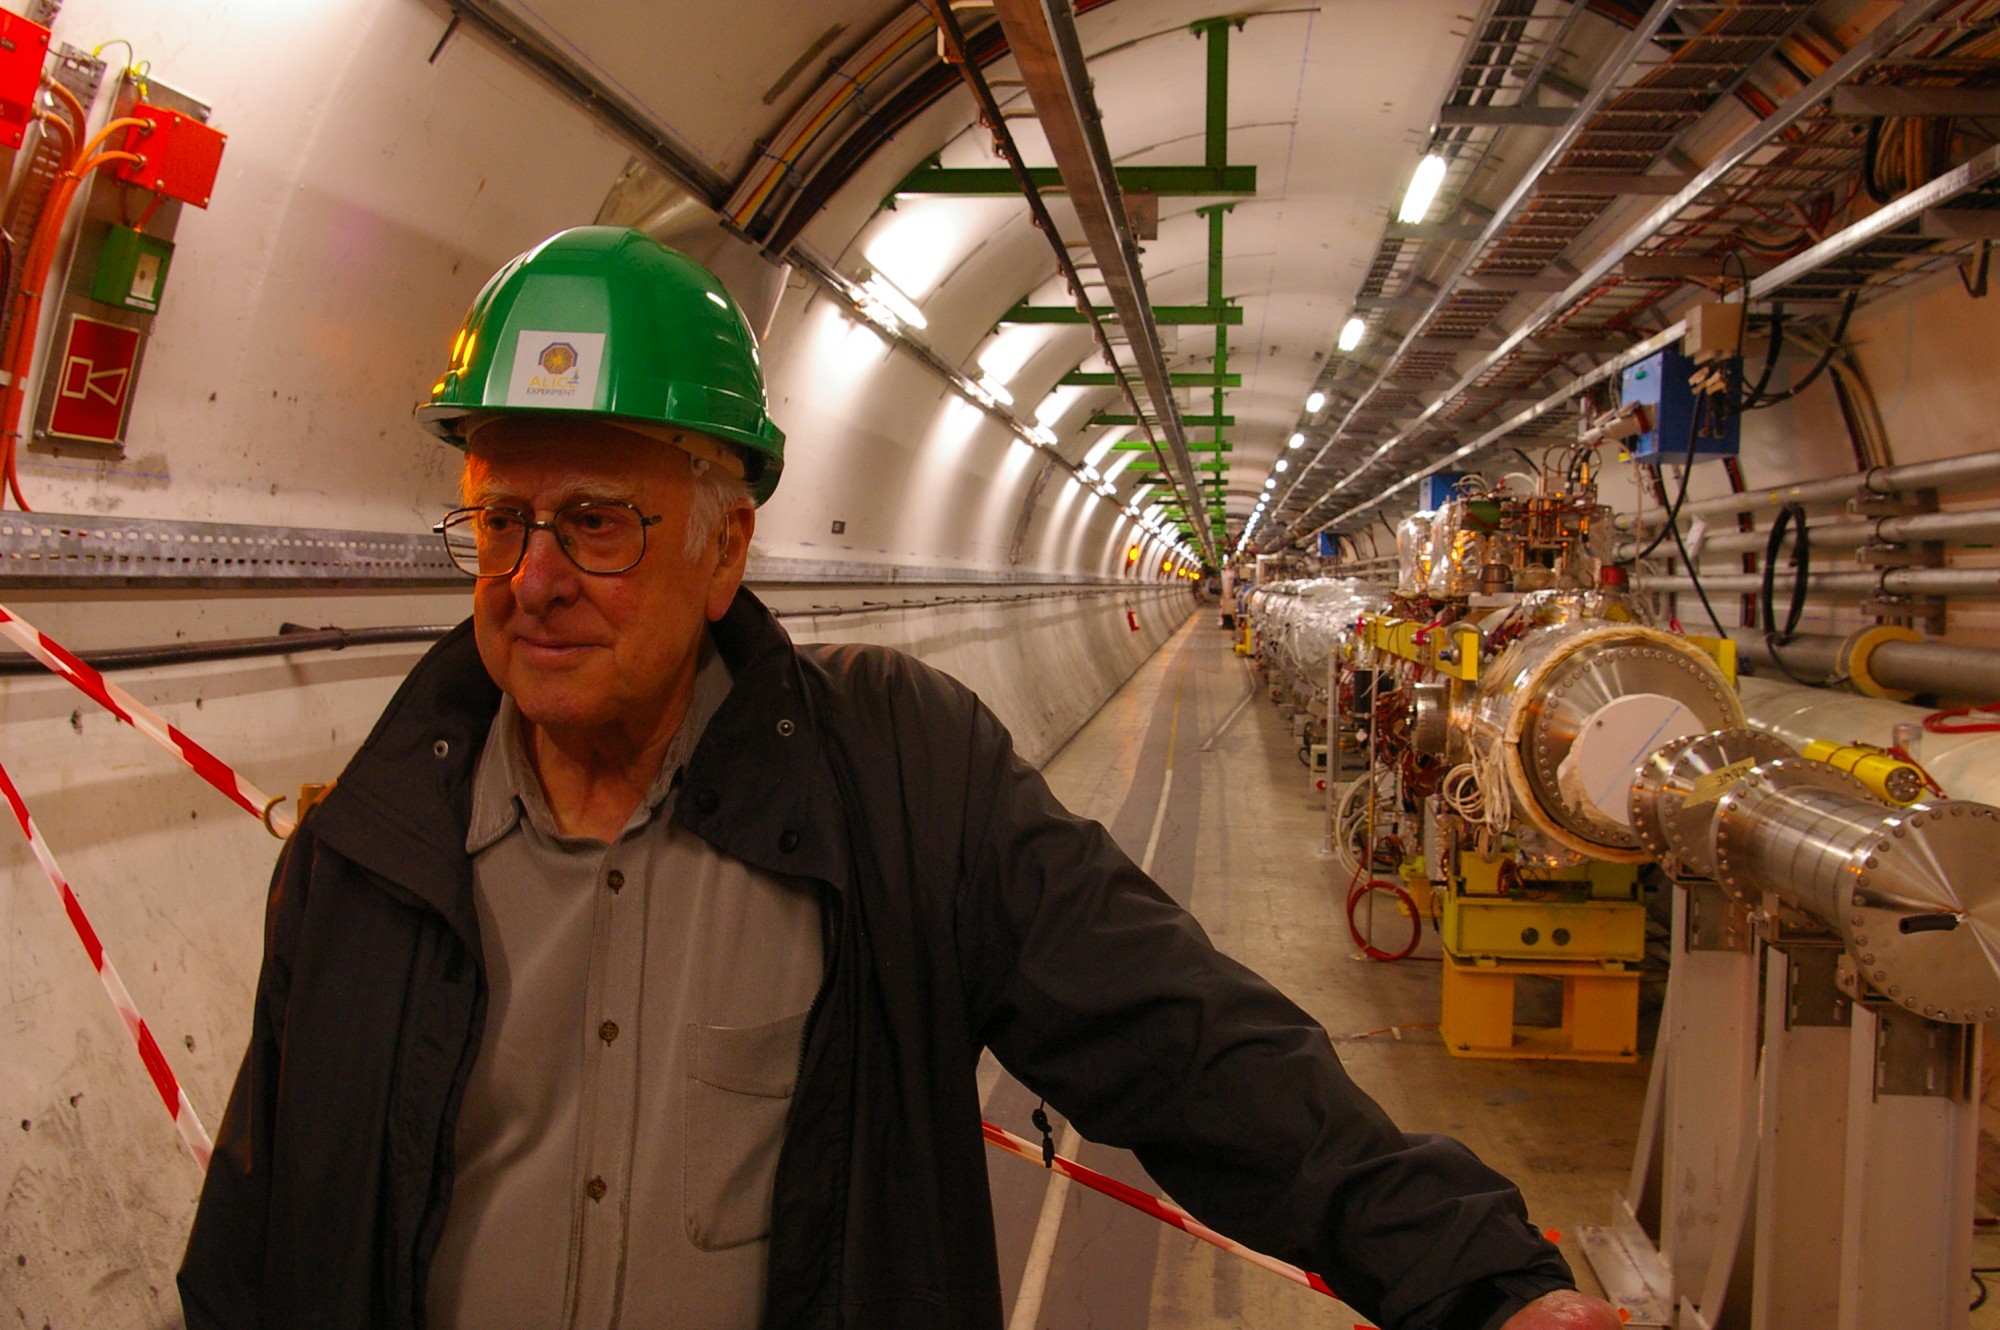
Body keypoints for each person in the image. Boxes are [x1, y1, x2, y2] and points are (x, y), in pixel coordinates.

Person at [178, 227, 1621, 1330]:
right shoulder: (366, 853)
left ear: (725, 546)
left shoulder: (895, 782)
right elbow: (249, 1255)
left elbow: (1185, 1040)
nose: (533, 577)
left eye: (597, 522)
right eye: (499, 524)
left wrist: (1480, 1277)